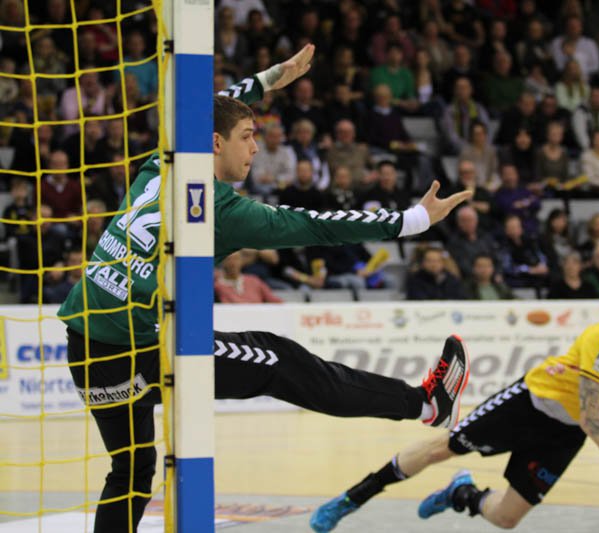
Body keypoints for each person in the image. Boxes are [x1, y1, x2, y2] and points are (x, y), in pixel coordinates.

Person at [57, 45, 474, 533]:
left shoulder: (160, 162)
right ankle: (425, 403)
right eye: (247, 136)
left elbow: (210, 106)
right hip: (140, 350)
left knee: (131, 470)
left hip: (84, 347)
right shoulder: (223, 210)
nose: (255, 148)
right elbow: (317, 224)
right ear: (215, 143)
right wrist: (412, 219)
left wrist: (270, 78)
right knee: (280, 360)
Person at [311, 270, 599, 532]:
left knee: (506, 518)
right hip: (531, 403)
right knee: (440, 449)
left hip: (565, 433)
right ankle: (352, 498)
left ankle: (461, 493)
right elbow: (592, 415)